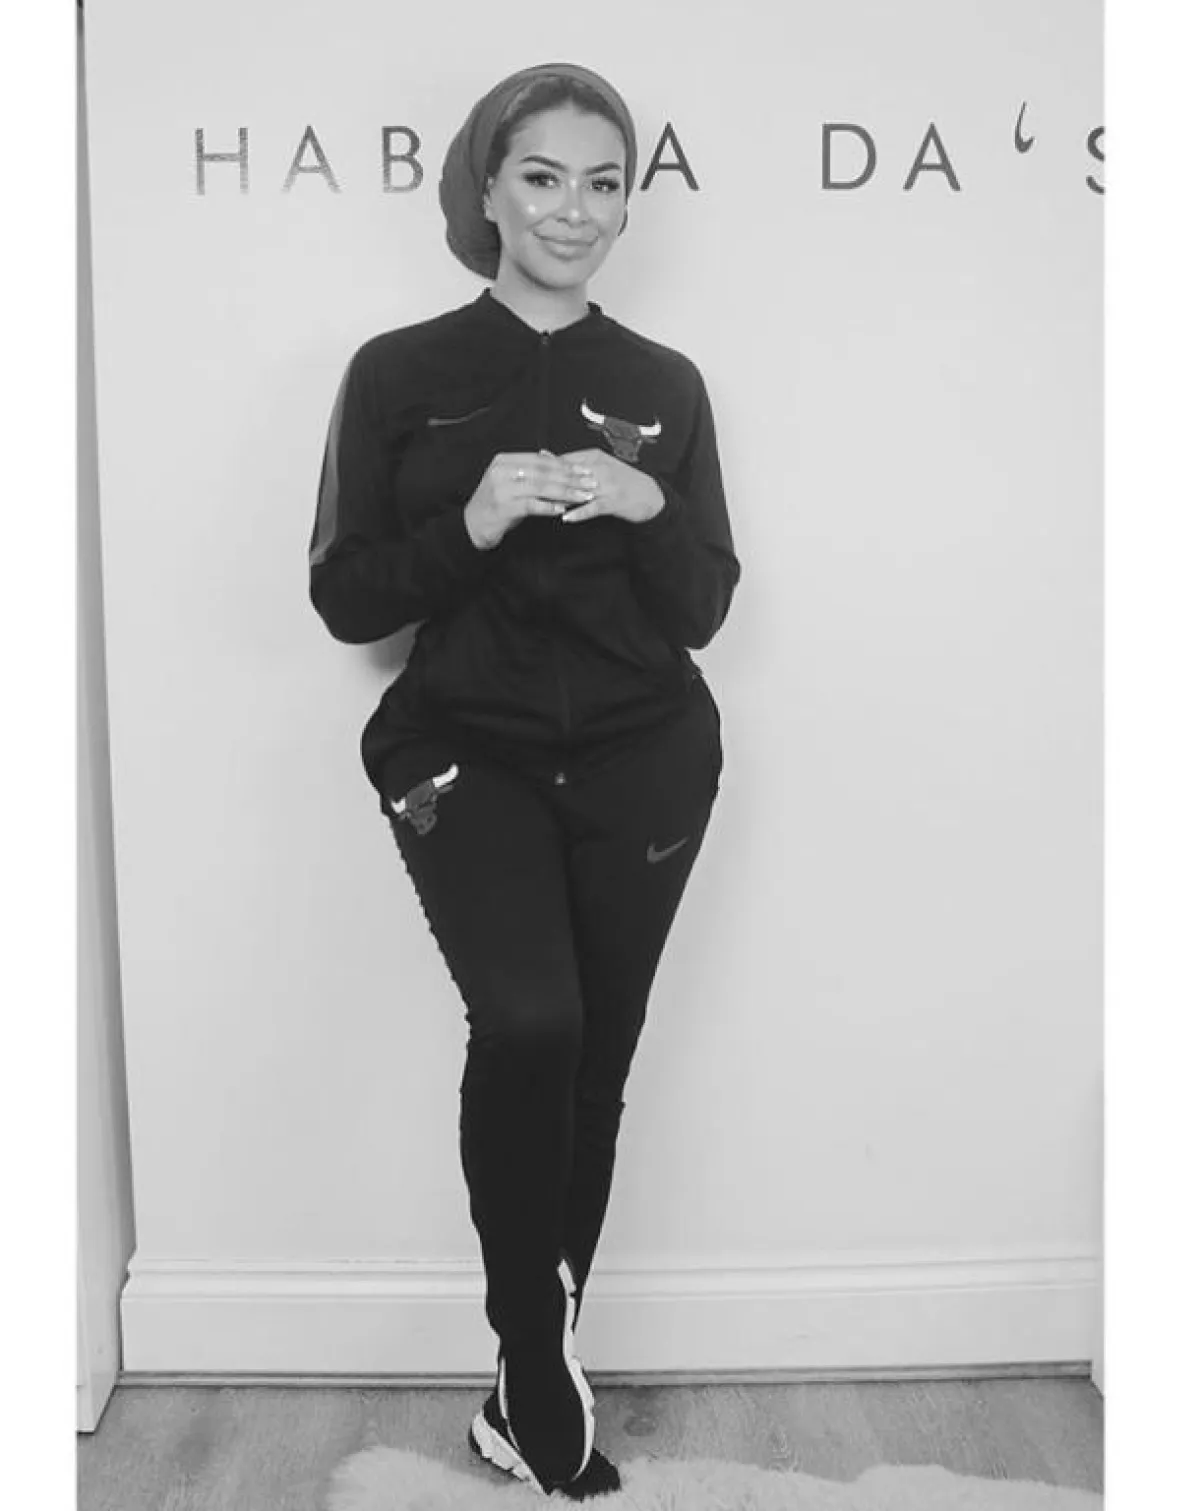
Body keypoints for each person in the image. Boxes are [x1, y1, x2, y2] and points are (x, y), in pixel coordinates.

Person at [308, 61, 740, 1499]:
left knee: (595, 1055)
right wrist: (477, 521)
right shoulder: (399, 373)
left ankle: (522, 1381)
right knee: (531, 1018)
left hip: (646, 753)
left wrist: (651, 501)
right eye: (543, 176)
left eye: (604, 182)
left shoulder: (665, 386)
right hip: (462, 745)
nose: (575, 209)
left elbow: (702, 606)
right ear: (486, 186)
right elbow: (347, 599)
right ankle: (534, 1348)